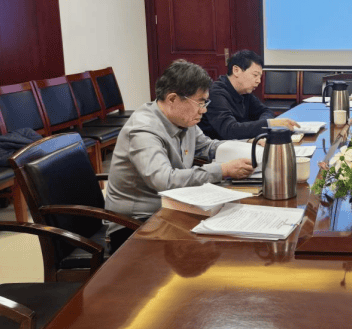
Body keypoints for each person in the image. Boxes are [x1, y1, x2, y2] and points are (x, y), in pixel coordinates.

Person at [105, 60, 254, 235]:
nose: (203, 110)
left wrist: (249, 143)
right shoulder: (143, 130)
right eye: (200, 103)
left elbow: (208, 146)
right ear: (172, 99)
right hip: (135, 224)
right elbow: (164, 181)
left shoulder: (183, 119)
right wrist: (222, 170)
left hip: (171, 207)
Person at [199, 50, 297, 140]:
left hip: (240, 143)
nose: (258, 81)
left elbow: (266, 111)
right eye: (255, 75)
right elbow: (229, 130)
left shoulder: (244, 91)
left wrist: (264, 124)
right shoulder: (215, 93)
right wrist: (269, 123)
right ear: (236, 70)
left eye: (260, 77)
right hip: (217, 149)